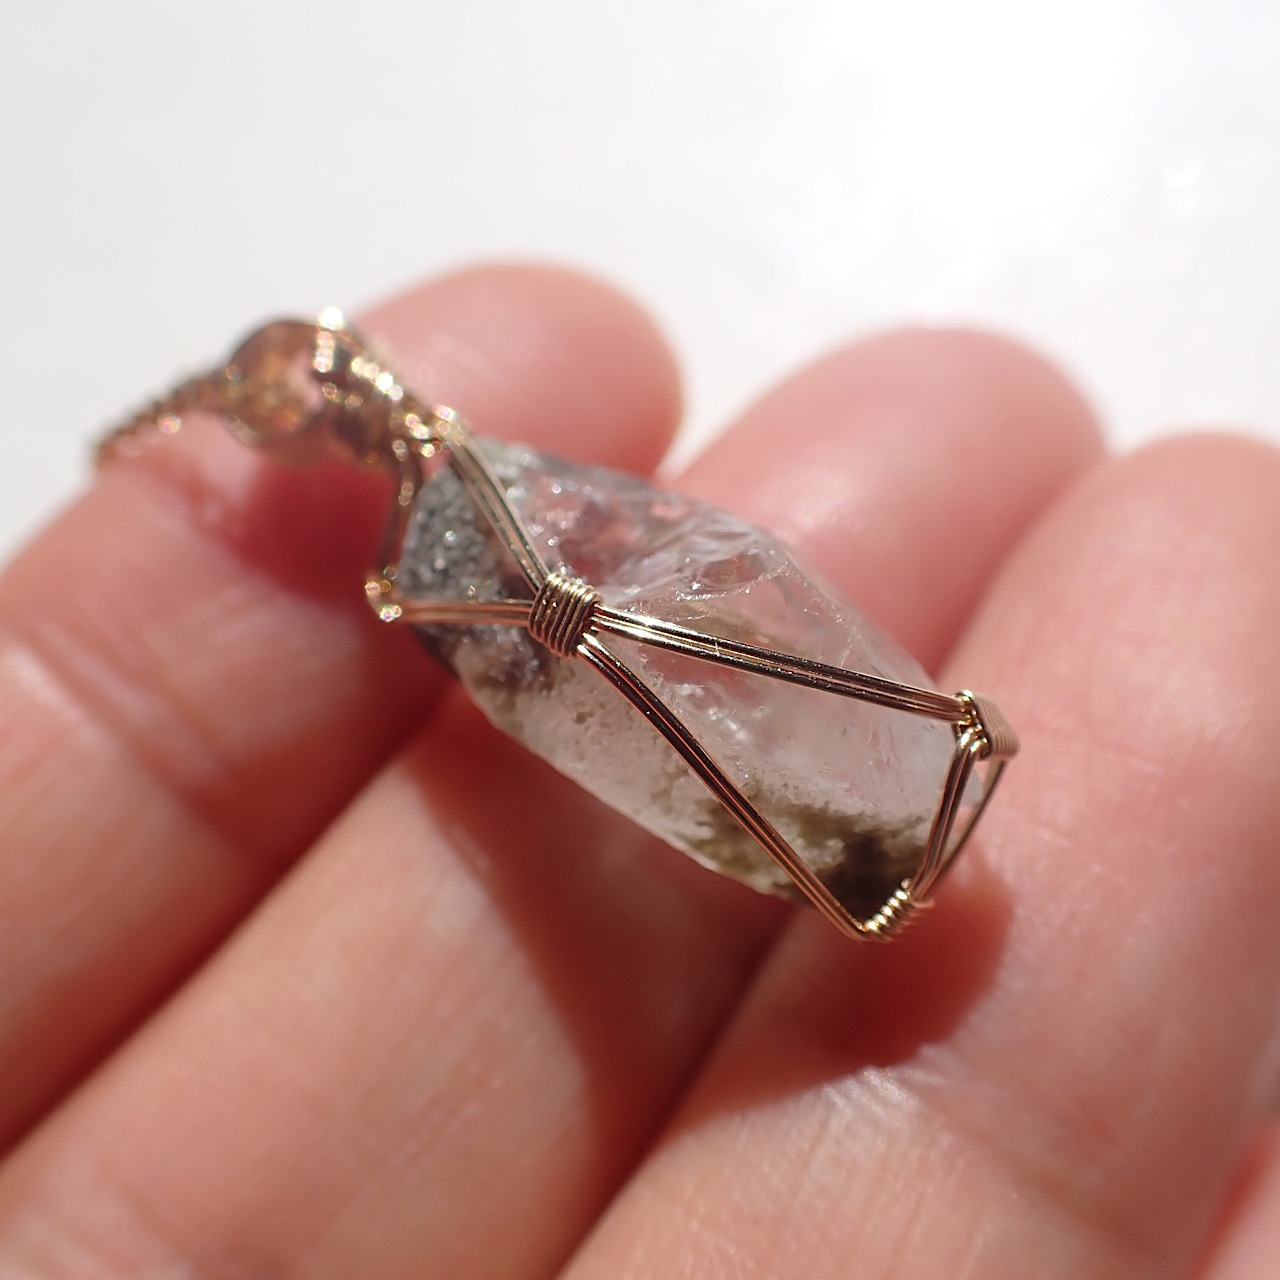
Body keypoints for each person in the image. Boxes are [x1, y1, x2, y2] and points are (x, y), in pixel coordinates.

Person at [0, 263, 1275, 1278]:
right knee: (610, 653)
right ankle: (893, 797)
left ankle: (894, 791)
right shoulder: (439, 543)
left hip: (883, 769)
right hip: (861, 774)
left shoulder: (472, 514)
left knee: (677, 624)